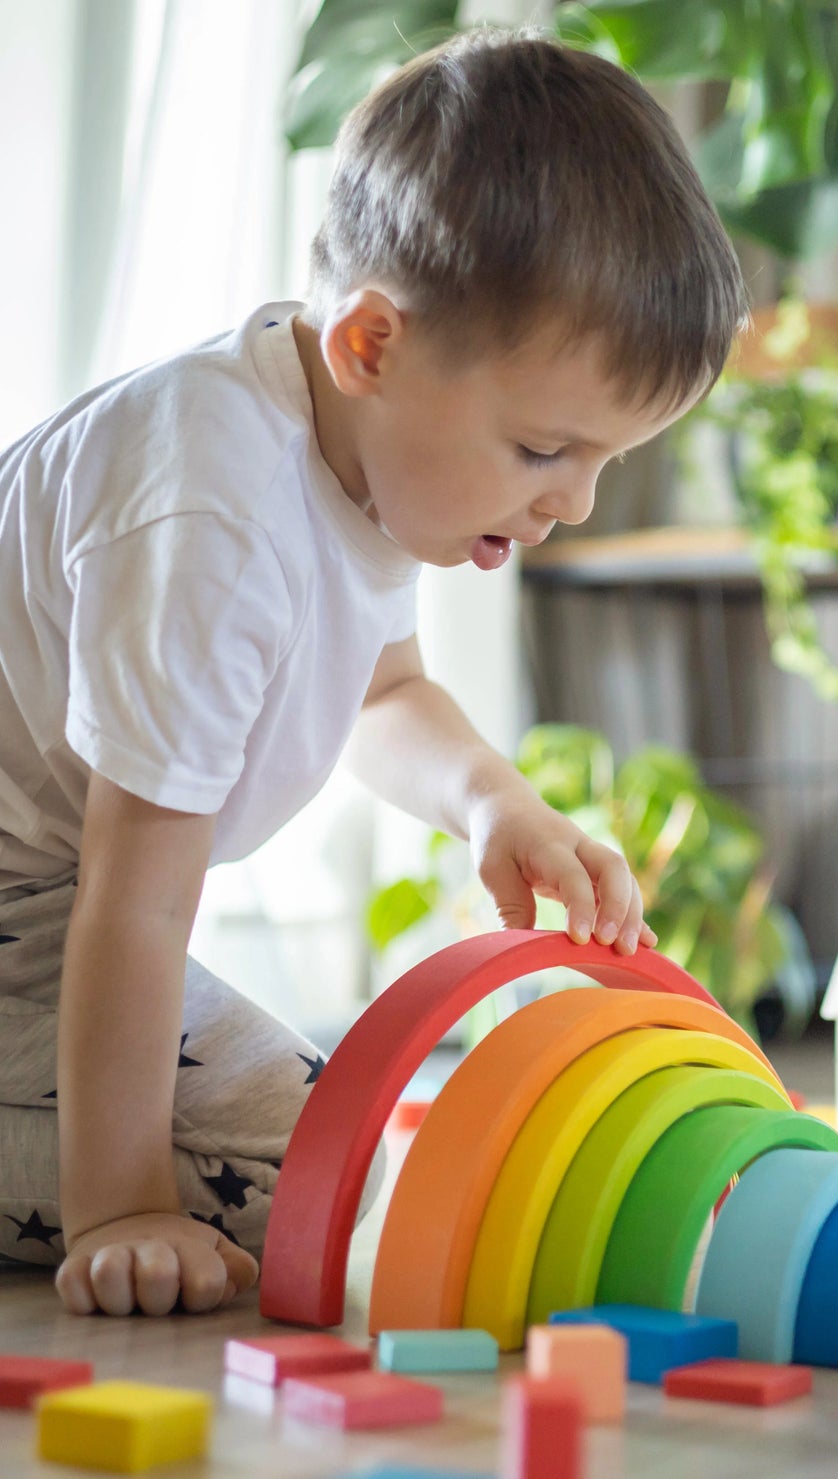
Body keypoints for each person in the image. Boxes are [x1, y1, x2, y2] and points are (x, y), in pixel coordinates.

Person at [0, 25, 748, 1318]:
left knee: (341, 1143)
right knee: (317, 1173)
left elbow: (384, 692)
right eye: (543, 448)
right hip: (50, 909)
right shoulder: (214, 513)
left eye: (604, 461)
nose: (572, 500)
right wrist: (122, 1209)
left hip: (54, 909)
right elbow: (136, 899)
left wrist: (495, 805)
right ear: (371, 346)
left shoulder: (361, 453)